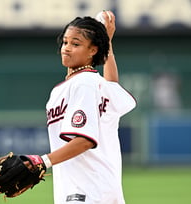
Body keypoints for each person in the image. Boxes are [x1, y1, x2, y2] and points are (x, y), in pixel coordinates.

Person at [32, 11, 136, 203]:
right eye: (65, 42)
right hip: (102, 188)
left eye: (76, 44)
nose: (67, 48)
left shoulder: (84, 83)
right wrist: (108, 43)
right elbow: (111, 84)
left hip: (85, 192)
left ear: (93, 50)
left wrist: (41, 162)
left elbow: (84, 140)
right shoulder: (96, 84)